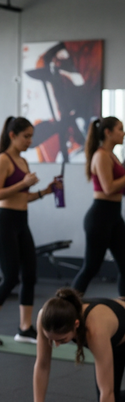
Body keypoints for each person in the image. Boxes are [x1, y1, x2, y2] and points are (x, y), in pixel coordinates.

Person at [0, 116, 55, 347]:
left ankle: (25, 328)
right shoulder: (3, 160)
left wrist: (45, 192)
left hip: (21, 220)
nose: (30, 141)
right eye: (26, 136)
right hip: (3, 222)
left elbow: (23, 197)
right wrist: (23, 183)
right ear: (13, 135)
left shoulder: (23, 161)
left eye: (31, 136)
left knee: (30, 275)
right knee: (10, 277)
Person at [25, 287, 125, 402]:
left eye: (62, 340)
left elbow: (106, 390)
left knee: (108, 396)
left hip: (116, 327)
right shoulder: (46, 317)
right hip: (114, 332)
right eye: (51, 339)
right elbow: (42, 365)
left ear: (76, 325)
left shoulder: (95, 330)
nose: (55, 345)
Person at [72, 116, 125, 295]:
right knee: (91, 268)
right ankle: (65, 309)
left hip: (115, 216)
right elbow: (109, 188)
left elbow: (121, 189)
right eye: (120, 129)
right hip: (100, 217)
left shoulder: (113, 156)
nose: (123, 133)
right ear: (108, 132)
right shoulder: (101, 155)